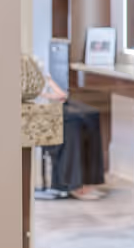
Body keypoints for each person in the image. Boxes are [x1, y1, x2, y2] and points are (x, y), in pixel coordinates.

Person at [35, 72, 105, 201]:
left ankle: (88, 180)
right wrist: (49, 94)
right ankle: (71, 184)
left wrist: (52, 88)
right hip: (30, 114)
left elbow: (56, 90)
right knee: (72, 123)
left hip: (44, 108)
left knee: (90, 116)